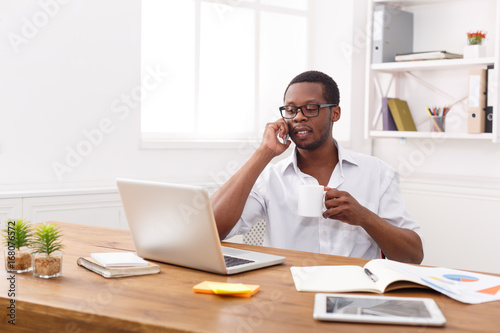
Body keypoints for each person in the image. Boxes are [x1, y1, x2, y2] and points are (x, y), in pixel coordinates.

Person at [211, 70, 423, 264]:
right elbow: (212, 230)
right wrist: (264, 153)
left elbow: (413, 256)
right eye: (291, 110)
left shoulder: (377, 173)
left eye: (311, 109)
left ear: (335, 114)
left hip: (353, 293)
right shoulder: (271, 177)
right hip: (286, 291)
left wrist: (365, 218)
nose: (299, 116)